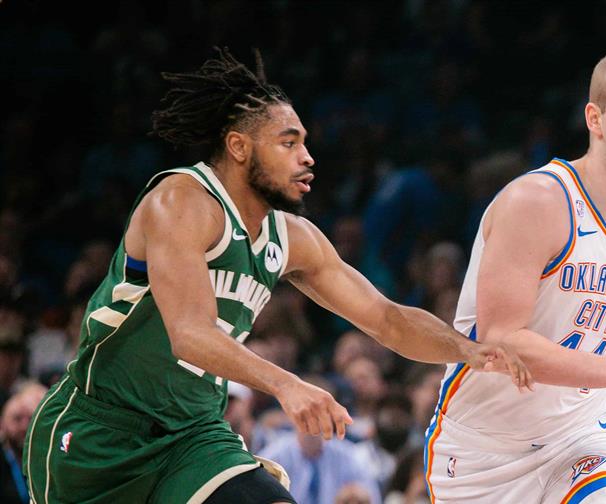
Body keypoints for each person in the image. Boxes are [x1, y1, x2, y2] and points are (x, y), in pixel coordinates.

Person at [23, 48, 531, 504]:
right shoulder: (180, 202)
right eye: (289, 143)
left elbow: (387, 319)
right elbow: (190, 334)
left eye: (305, 143)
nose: (307, 157)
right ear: (239, 147)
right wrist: (289, 385)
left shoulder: (293, 237)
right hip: (99, 432)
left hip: (192, 435)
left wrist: (467, 350)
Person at [425, 49, 606, 503]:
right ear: (594, 119)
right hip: (482, 451)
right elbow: (501, 341)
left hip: (583, 436)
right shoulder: (537, 200)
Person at [1, 383, 47, 504]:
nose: (24, 426)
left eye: (30, 418)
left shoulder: (47, 460)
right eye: (17, 419)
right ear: (2, 424)